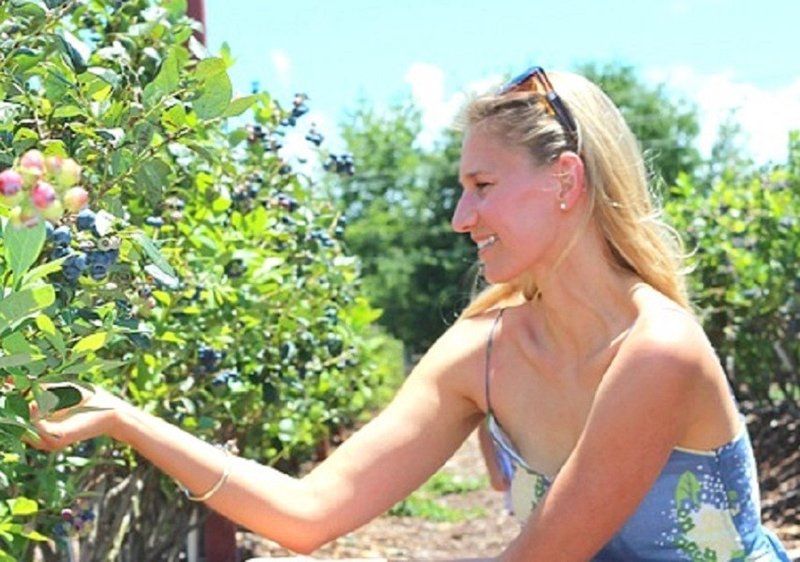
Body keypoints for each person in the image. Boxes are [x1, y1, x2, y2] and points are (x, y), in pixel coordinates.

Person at [31, 66, 790, 561]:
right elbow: (309, 511)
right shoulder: (481, 351)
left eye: (482, 186)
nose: (461, 217)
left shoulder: (658, 349)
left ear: (565, 180)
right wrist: (124, 417)